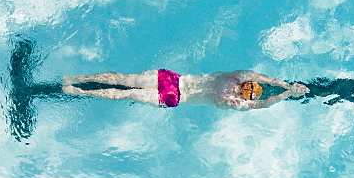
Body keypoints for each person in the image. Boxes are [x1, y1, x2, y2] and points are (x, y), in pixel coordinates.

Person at [61, 69, 308, 109]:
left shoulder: (235, 102)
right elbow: (263, 77)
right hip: (174, 79)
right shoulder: (238, 76)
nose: (246, 89)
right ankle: (77, 78)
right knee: (123, 79)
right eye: (249, 87)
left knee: (125, 93)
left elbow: (262, 104)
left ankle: (80, 90)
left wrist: (286, 94)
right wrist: (286, 85)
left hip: (174, 95)